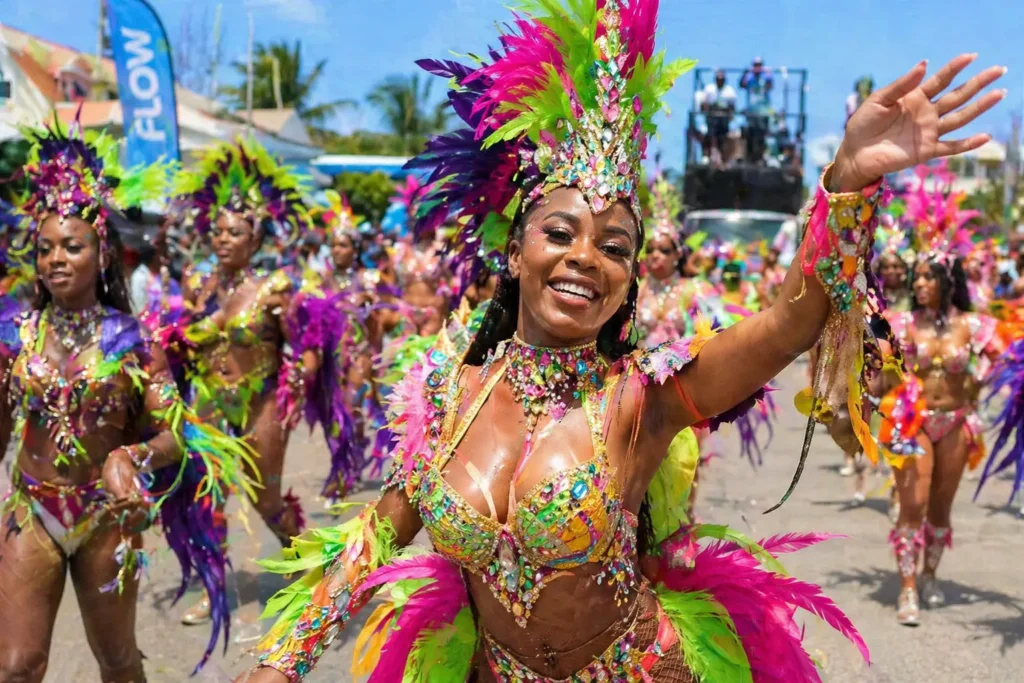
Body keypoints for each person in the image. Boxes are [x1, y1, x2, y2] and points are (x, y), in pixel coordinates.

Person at [236, 3, 1005, 679]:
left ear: (630, 276)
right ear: (514, 252)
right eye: (562, 233)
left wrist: (847, 180)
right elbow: (376, 533)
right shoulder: (444, 390)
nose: (585, 258)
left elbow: (787, 324)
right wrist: (280, 661)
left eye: (614, 246)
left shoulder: (643, 396)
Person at [0, 123, 252, 679]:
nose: (55, 259)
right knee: (16, 665)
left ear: (102, 251)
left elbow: (173, 435)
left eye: (72, 246)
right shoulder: (13, 333)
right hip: (31, 510)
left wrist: (129, 458)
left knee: (116, 662)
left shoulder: (134, 340)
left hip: (104, 515)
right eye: (45, 249)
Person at [170, 138, 325, 625]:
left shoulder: (275, 288)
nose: (223, 239)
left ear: (254, 240)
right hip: (211, 404)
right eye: (217, 231)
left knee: (265, 498)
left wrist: (297, 384)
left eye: (234, 232)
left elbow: (308, 346)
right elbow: (184, 343)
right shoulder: (197, 283)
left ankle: (306, 566)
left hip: (261, 405)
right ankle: (214, 591)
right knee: (206, 495)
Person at [881, 256, 1004, 625]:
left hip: (955, 423)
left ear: (947, 281)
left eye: (926, 277)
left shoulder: (973, 325)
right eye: (916, 276)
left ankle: (930, 576)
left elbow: (1005, 358)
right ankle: (907, 587)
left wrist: (981, 375)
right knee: (913, 504)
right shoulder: (900, 323)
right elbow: (878, 362)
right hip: (911, 422)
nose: (918, 283)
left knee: (939, 509)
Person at [739, 57, 773, 164]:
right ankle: (750, 157)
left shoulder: (765, 78)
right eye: (755, 65)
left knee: (762, 135)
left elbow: (770, 86)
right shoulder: (750, 78)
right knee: (751, 134)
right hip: (752, 112)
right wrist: (745, 73)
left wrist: (768, 74)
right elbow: (742, 84)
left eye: (759, 65)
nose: (757, 68)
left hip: (763, 112)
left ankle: (761, 156)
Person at [701, 69, 737, 166]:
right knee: (710, 135)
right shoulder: (709, 89)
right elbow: (703, 104)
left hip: (723, 119)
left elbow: (732, 107)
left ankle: (722, 158)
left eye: (722, 79)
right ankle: (708, 156)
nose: (719, 81)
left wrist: (727, 114)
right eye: (718, 79)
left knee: (723, 138)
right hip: (712, 118)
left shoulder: (730, 91)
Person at [129, 241, 160, 314]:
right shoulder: (141, 276)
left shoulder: (145, 273)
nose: (160, 259)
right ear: (153, 258)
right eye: (158, 256)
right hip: (145, 318)